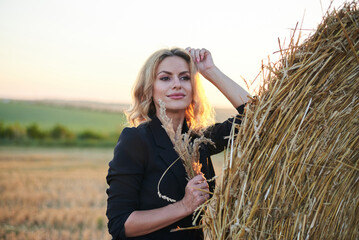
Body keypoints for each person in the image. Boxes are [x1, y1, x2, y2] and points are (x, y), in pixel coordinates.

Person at [106, 47, 249, 239]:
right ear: (149, 89)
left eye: (185, 77)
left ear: (193, 88)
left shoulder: (200, 140)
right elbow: (120, 224)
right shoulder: (136, 140)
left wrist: (210, 71)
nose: (177, 85)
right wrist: (184, 206)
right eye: (165, 78)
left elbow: (258, 117)